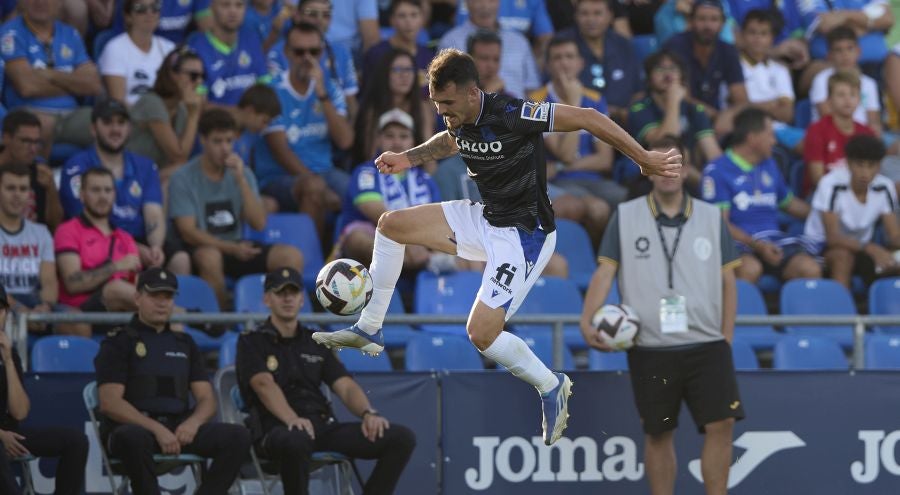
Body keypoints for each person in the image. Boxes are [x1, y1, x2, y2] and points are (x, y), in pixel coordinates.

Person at [312, 48, 682, 446]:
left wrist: (643, 158)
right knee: (391, 225)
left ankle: (550, 384)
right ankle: (370, 328)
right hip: (486, 218)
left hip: (525, 235)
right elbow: (449, 141)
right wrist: (408, 157)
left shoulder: (513, 113)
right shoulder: (458, 118)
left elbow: (589, 118)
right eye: (437, 105)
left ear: (473, 93)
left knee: (481, 334)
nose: (443, 113)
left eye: (449, 104)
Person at [580, 135, 744, 495]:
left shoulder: (711, 217)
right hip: (651, 348)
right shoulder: (625, 216)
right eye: (661, 162)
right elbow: (604, 272)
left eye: (677, 162)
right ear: (647, 169)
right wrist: (586, 318)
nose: (670, 169)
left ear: (686, 170)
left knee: (722, 425)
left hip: (706, 345)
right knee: (659, 432)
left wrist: (726, 338)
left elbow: (728, 281)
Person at [236, 267, 416, 495]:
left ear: (302, 299)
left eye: (293, 292)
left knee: (400, 438)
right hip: (277, 429)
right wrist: (292, 419)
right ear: (266, 299)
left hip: (321, 427)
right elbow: (263, 385)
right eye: (280, 292)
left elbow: (345, 386)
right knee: (296, 440)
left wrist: (368, 413)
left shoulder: (316, 341)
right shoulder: (251, 342)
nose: (287, 298)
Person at [94, 268, 251, 495]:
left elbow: (206, 398)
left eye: (167, 297)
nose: (161, 303)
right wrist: (156, 429)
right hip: (136, 429)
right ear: (138, 298)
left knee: (238, 436)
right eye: (154, 296)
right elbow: (110, 403)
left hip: (178, 428)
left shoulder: (184, 343)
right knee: (131, 437)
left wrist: (193, 423)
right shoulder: (118, 342)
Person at [168, 108, 303, 308]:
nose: (225, 148)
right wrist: (230, 248)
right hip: (204, 247)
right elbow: (187, 232)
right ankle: (221, 324)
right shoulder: (183, 177)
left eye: (229, 141)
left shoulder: (242, 173)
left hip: (236, 245)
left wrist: (240, 180)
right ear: (203, 140)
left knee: (291, 256)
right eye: (217, 141)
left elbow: (258, 223)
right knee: (210, 257)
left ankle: (275, 321)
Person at [60, 99, 190, 275]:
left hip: (141, 238)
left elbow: (154, 213)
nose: (115, 130)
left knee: (180, 260)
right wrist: (132, 247)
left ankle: (172, 303)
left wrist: (155, 247)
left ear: (129, 128)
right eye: (107, 123)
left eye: (121, 123)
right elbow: (85, 218)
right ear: (93, 129)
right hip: (96, 238)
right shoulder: (76, 167)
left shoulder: (145, 166)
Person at [702, 107, 822, 284]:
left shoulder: (769, 165)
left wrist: (824, 215)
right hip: (739, 244)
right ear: (752, 138)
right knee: (750, 269)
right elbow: (721, 225)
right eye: (770, 135)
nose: (774, 142)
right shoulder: (717, 171)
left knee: (809, 269)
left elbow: (789, 203)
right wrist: (757, 245)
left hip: (773, 241)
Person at [254, 23, 353, 228]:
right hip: (280, 176)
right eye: (299, 52)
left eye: (314, 52)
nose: (307, 59)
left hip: (325, 170)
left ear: (322, 53)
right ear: (287, 53)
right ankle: (313, 258)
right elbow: (281, 151)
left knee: (359, 191)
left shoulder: (329, 88)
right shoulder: (272, 90)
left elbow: (345, 141)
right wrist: (320, 187)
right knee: (313, 188)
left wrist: (321, 93)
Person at [0, 284, 89, 495]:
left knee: (75, 440)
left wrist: (8, 361)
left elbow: (20, 412)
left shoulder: (8, 354)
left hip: (11, 432)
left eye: (0, 309)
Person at [532, 35, 626, 208]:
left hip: (591, 178)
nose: (564, 63)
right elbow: (566, 154)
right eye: (557, 57)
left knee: (628, 200)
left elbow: (605, 160)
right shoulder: (537, 102)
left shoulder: (595, 99)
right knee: (598, 209)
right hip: (559, 184)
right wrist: (575, 104)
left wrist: (561, 167)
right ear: (547, 65)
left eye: (569, 56)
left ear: (580, 63)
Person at [0, 0, 104, 154]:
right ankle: (39, 175)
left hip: (71, 116)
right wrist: (73, 84)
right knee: (43, 125)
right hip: (29, 113)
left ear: (60, 3)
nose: (41, 2)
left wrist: (49, 74)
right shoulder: (10, 34)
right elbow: (27, 87)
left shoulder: (70, 34)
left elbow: (93, 85)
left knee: (107, 124)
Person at [805, 134, 900, 288]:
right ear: (848, 163)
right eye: (860, 165)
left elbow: (894, 235)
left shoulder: (885, 187)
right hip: (819, 248)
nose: (865, 173)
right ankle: (840, 310)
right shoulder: (830, 184)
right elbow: (833, 238)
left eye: (871, 166)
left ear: (879, 166)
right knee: (843, 257)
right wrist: (871, 248)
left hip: (861, 249)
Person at [55, 168, 142, 320]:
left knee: (160, 294)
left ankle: (177, 317)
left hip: (124, 313)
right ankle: (177, 315)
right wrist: (115, 267)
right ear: (82, 195)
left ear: (114, 195)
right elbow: (72, 284)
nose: (103, 196)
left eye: (108, 190)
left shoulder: (125, 238)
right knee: (116, 289)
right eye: (95, 190)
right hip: (81, 312)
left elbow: (135, 284)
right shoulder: (67, 230)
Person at [628, 49, 722, 185]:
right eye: (660, 69)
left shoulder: (694, 110)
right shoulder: (639, 109)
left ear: (682, 77)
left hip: (688, 174)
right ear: (649, 78)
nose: (667, 75)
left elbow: (713, 154)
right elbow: (664, 147)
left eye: (673, 69)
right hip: (650, 176)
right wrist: (673, 102)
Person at [664, 0, 748, 136]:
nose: (707, 26)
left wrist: (728, 114)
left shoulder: (728, 50)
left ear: (722, 24)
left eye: (714, 19)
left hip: (715, 120)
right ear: (690, 21)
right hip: (679, 117)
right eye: (702, 19)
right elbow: (680, 95)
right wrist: (715, 115)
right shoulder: (675, 46)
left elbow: (741, 98)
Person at [266, 0, 361, 120]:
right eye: (312, 14)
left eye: (326, 15)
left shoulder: (341, 52)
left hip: (335, 126)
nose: (319, 20)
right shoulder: (277, 53)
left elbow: (351, 101)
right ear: (297, 16)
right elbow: (275, 99)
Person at [127, 46, 205, 176]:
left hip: (155, 174)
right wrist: (194, 115)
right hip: (133, 176)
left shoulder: (181, 108)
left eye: (202, 76)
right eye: (193, 76)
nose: (199, 82)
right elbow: (179, 156)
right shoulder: (151, 103)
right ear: (173, 74)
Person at [558, 0, 641, 123]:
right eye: (584, 14)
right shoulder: (562, 46)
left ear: (610, 16)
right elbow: (554, 89)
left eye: (597, 13)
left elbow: (638, 91)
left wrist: (628, 113)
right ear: (575, 16)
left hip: (624, 122)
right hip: (578, 123)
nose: (591, 20)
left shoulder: (624, 45)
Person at [439, 0, 540, 99]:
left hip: (516, 112)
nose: (485, 5)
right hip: (470, 112)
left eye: (491, 0)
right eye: (478, 0)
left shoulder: (519, 42)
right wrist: (489, 93)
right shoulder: (450, 42)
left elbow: (532, 90)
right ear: (467, 3)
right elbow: (446, 93)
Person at [353, 48, 433, 166]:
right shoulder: (373, 109)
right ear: (385, 74)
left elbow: (428, 155)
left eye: (409, 69)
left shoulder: (422, 107)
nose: (404, 75)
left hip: (414, 172)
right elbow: (370, 155)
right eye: (397, 70)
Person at [803, 70, 876, 196]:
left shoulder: (867, 133)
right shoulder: (816, 130)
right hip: (823, 195)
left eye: (853, 95)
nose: (847, 100)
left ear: (859, 99)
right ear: (829, 100)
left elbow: (872, 174)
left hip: (858, 195)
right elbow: (817, 179)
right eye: (841, 95)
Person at [187, 0, 268, 106]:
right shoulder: (196, 47)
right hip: (212, 122)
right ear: (212, 7)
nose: (233, 12)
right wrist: (239, 115)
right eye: (225, 5)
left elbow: (265, 88)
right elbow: (197, 104)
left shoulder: (251, 40)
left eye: (239, 5)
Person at [98, 0, 176, 105]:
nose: (149, 13)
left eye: (155, 7)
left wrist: (200, 90)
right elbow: (118, 101)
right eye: (141, 9)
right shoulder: (114, 49)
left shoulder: (169, 48)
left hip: (167, 112)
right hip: (132, 115)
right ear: (128, 16)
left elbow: (191, 85)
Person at [808, 27, 882, 134]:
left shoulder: (869, 83)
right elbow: (827, 116)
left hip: (863, 137)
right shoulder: (821, 80)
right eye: (838, 50)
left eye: (850, 48)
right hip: (830, 135)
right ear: (829, 55)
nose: (845, 55)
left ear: (858, 51)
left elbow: (873, 120)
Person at [0, 111, 63, 231]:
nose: (33, 149)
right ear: (6, 138)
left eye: (36, 142)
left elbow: (55, 225)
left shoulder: (41, 172)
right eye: (25, 141)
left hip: (32, 244)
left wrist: (51, 190)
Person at [362, 0, 434, 95]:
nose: (408, 22)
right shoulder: (376, 54)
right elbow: (371, 98)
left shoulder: (430, 58)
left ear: (422, 19)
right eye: (402, 16)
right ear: (392, 20)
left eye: (414, 15)